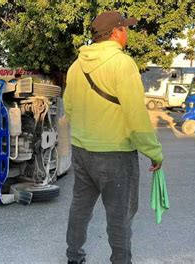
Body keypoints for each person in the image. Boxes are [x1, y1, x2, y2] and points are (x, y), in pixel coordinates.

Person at [63, 11, 164, 264]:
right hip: (115, 154)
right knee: (119, 217)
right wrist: (153, 151)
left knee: (80, 208)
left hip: (82, 150)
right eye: (125, 29)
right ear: (116, 32)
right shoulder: (122, 63)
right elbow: (135, 114)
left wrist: (87, 134)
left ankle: (73, 257)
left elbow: (70, 108)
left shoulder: (76, 66)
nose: (127, 33)